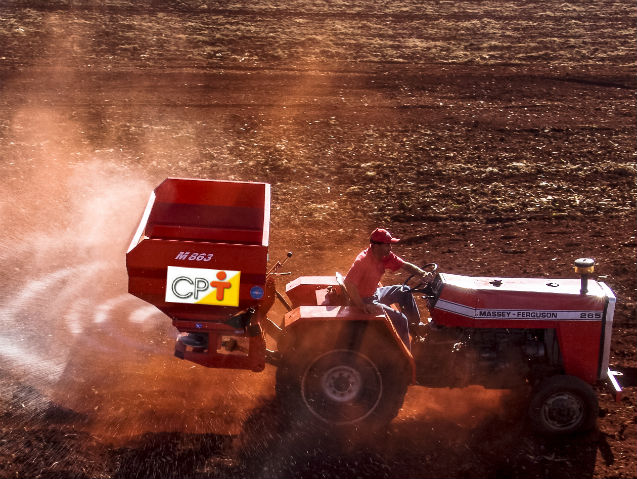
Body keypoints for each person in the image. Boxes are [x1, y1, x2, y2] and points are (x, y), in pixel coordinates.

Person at [344, 228, 431, 349]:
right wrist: (362, 306)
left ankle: (416, 327)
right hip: (366, 300)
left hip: (375, 293)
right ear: (375, 245)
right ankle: (406, 357)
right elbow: (348, 283)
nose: (390, 248)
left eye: (390, 244)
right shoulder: (363, 261)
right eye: (387, 245)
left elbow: (405, 265)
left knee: (404, 290)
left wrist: (422, 273)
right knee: (401, 320)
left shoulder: (385, 256)